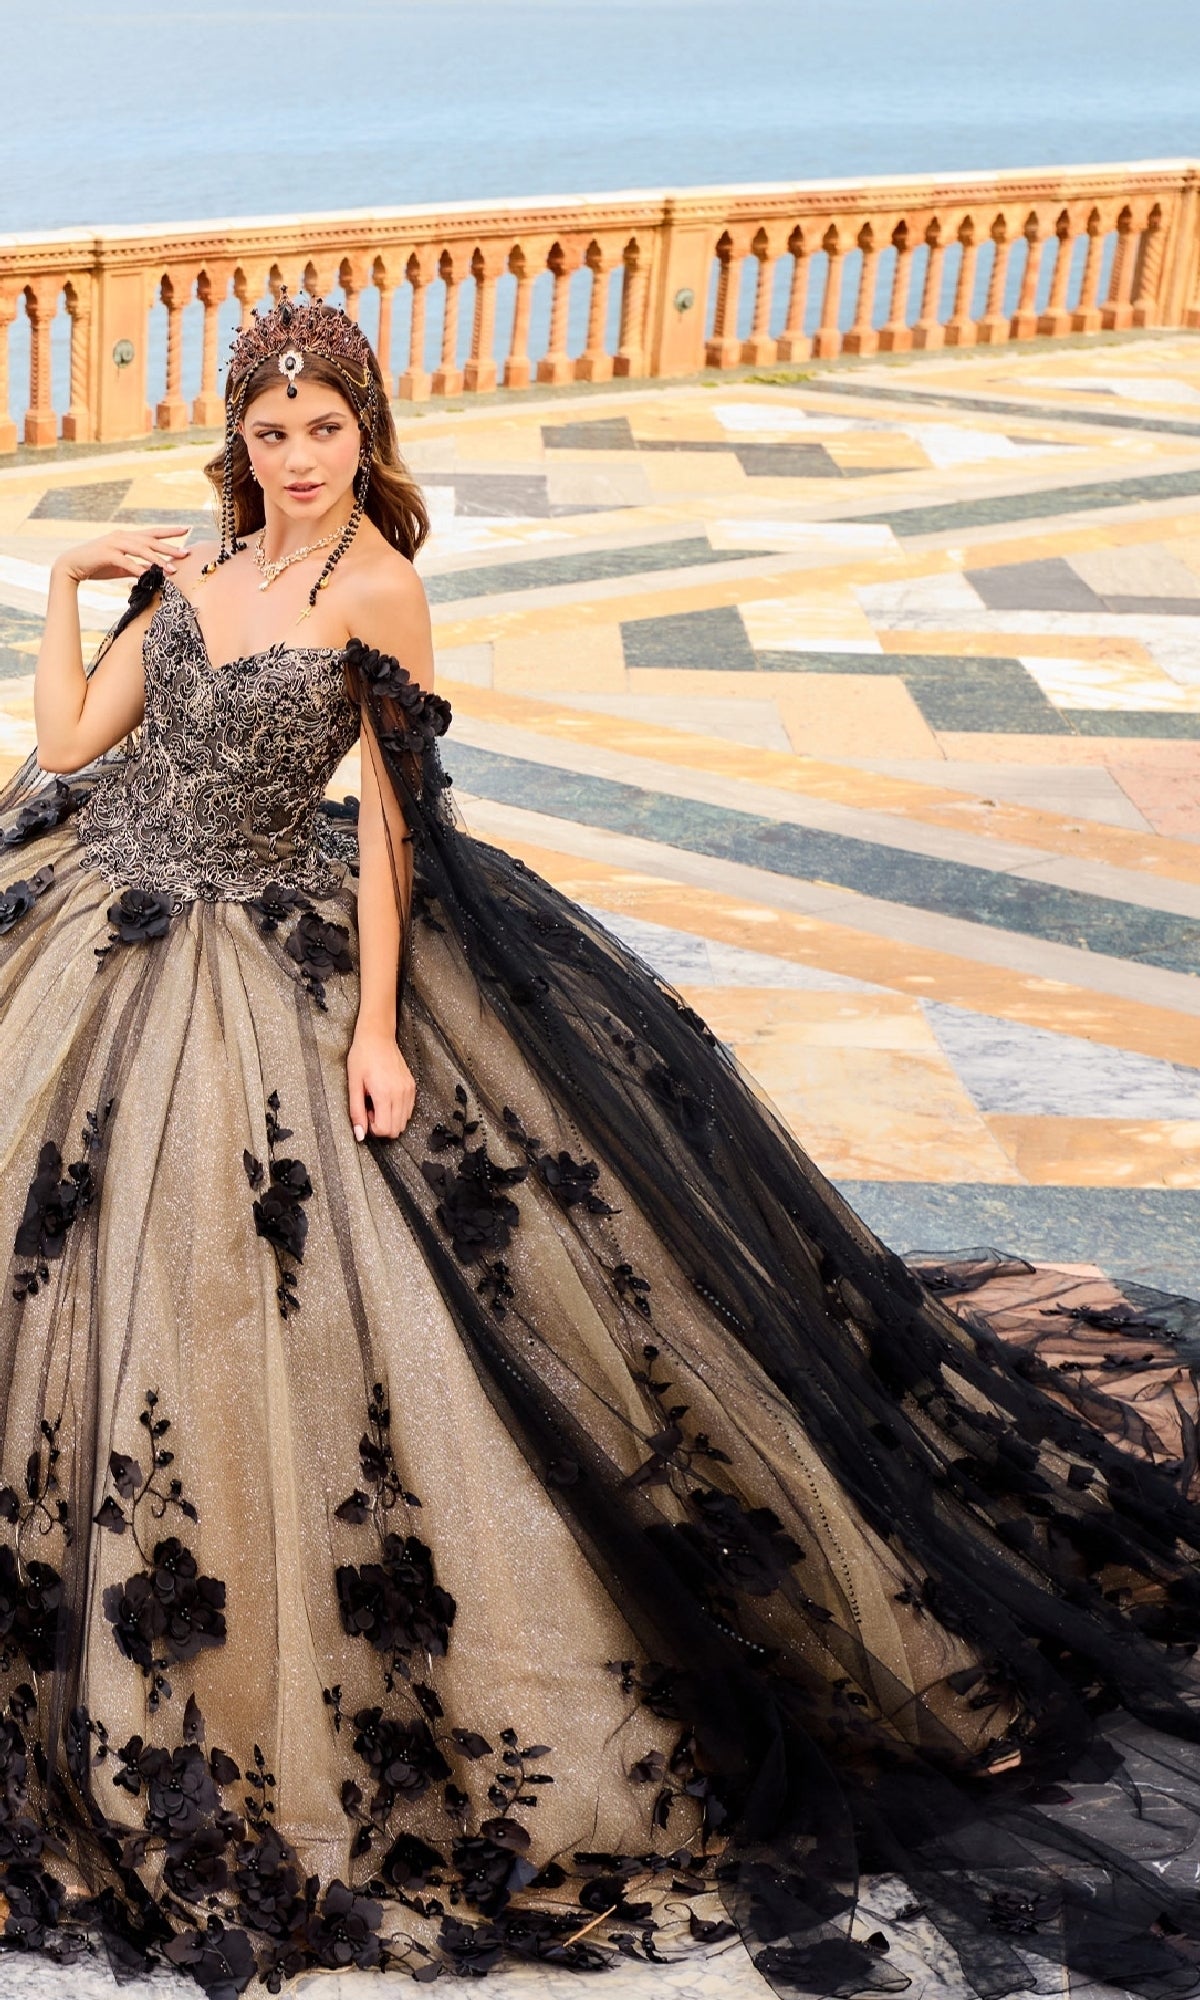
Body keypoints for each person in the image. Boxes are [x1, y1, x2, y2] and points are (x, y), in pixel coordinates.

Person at [2, 294, 1200, 2000]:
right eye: (270, 435)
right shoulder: (184, 575)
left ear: (367, 435)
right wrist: (62, 590)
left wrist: (375, 1030)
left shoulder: (379, 589)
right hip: (103, 920)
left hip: (271, 949)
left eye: (324, 430)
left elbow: (403, 832)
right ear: (238, 440)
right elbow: (63, 748)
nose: (295, 461)